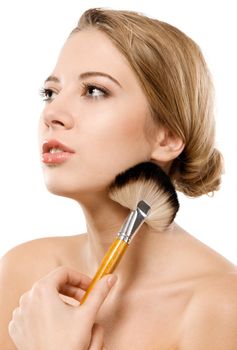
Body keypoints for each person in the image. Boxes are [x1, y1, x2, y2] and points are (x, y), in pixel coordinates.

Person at [0, 7, 237, 349]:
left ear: (167, 136)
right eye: (50, 93)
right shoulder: (26, 275)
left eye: (94, 90)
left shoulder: (220, 307)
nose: (52, 114)